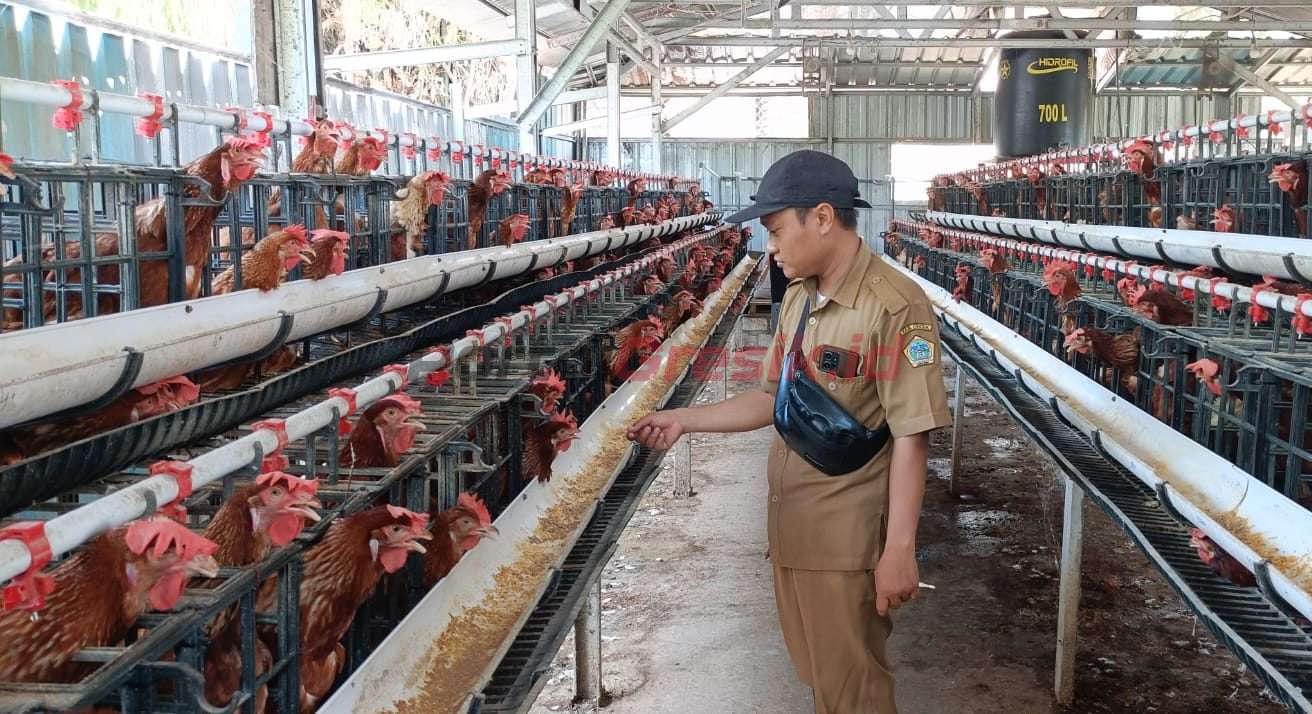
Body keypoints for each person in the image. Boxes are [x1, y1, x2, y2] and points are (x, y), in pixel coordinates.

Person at [627, 150, 951, 714]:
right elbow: (768, 397)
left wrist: (899, 548)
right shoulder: (800, 297)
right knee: (820, 680)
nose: (770, 246)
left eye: (776, 230)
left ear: (822, 218)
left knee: (856, 693)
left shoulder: (895, 308)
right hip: (792, 529)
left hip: (845, 542)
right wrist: (684, 420)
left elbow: (912, 435)